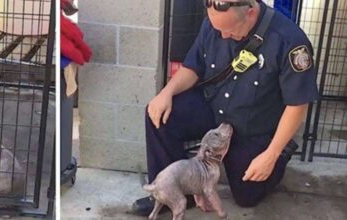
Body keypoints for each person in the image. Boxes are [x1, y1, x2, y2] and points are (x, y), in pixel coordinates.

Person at [132, 0, 318, 216]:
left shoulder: (289, 41)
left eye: (229, 30)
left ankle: (279, 157)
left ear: (250, 13)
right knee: (159, 114)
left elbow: (297, 104)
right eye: (217, 29)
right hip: (213, 108)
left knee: (247, 196)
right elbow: (193, 67)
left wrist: (271, 154)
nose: (222, 36)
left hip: (251, 125)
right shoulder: (215, 23)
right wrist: (166, 92)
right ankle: (173, 192)